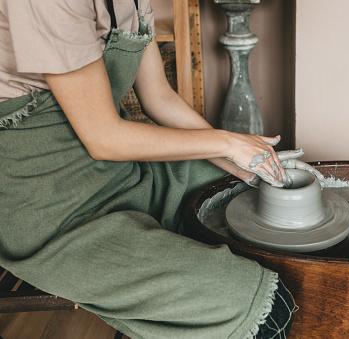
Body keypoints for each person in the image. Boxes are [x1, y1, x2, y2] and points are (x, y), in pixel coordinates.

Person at [0, 0, 323, 338]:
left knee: (242, 193)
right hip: (50, 206)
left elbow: (158, 97)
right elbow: (104, 138)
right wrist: (227, 143)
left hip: (120, 173)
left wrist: (238, 163)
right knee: (262, 310)